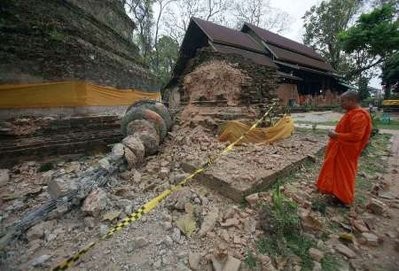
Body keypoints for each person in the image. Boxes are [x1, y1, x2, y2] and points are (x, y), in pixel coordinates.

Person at [316, 90, 372, 205]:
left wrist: (336, 135)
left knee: (344, 174)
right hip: (341, 148)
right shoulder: (351, 113)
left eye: (343, 101)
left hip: (348, 151)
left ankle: (343, 198)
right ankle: (335, 193)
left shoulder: (359, 115)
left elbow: (357, 136)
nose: (341, 103)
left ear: (352, 101)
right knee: (336, 171)